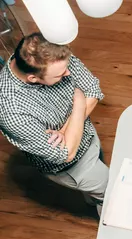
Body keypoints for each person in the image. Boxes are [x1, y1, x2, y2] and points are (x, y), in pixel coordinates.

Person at [0, 33, 107, 215]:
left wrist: (65, 130)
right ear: (33, 78)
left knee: (97, 188)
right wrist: (79, 101)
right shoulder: (11, 111)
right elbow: (66, 153)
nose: (68, 73)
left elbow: (93, 89)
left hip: (88, 136)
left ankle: (93, 198)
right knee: (110, 193)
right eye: (60, 75)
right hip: (74, 167)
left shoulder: (50, 55)